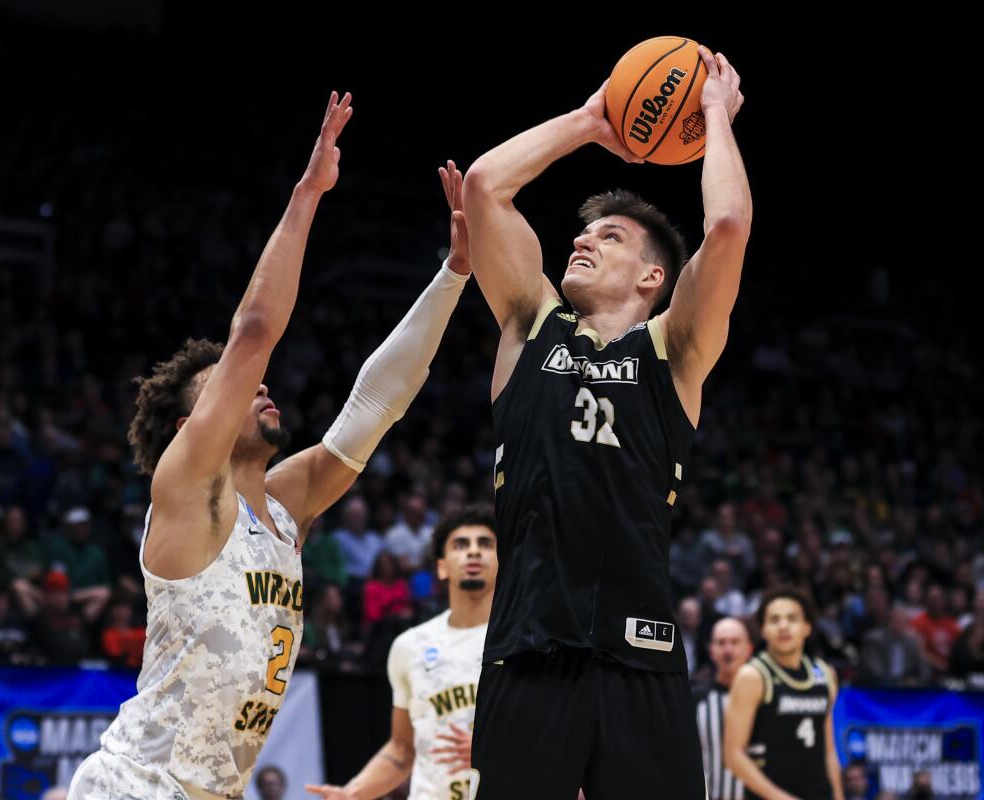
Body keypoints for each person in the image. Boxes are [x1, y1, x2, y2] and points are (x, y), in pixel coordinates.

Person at [71, 92, 475, 800]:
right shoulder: (190, 488)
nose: (260, 390)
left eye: (257, 386)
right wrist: (309, 193)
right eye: (228, 389)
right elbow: (254, 331)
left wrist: (454, 277)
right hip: (137, 785)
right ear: (188, 427)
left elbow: (377, 403)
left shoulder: (286, 505)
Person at [462, 45, 750, 798]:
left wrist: (715, 113)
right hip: (527, 653)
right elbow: (486, 186)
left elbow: (725, 225)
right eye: (584, 234)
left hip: (641, 661)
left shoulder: (675, 351)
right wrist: (591, 121)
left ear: (654, 277)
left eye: (611, 237)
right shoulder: (531, 324)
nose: (583, 239)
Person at [307, 507, 497, 800]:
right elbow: (401, 748)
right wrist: (353, 792)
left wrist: (494, 748)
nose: (473, 552)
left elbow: (554, 737)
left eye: (485, 544)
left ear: (501, 561)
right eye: (461, 544)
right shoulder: (410, 645)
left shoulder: (525, 643)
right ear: (442, 566)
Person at [724, 587, 843, 800]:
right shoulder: (753, 675)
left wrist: (839, 796)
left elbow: (829, 751)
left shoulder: (824, 673)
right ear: (762, 629)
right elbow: (733, 755)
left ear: (807, 627)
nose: (783, 626)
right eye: (774, 619)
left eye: (792, 618)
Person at [695, 617, 754, 800]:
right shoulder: (695, 700)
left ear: (749, 648)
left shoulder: (765, 699)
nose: (728, 650)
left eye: (735, 642)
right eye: (721, 642)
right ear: (711, 650)